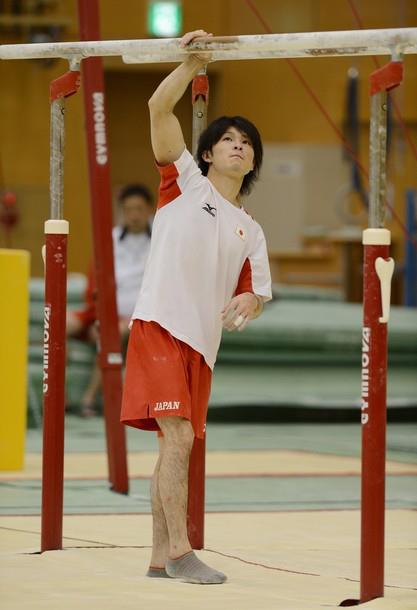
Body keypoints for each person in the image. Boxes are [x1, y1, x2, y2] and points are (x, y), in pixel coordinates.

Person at [120, 29, 272, 584]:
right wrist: (192, 62)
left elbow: (258, 292)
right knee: (179, 437)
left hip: (201, 348)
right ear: (207, 153)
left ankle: (159, 558)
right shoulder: (183, 181)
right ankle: (184, 550)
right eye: (228, 138)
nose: (238, 145)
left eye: (247, 142)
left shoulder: (251, 230)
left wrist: (250, 301)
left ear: (252, 162)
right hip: (160, 323)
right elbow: (159, 106)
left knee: (172, 444)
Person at [66, 184, 154, 416]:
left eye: (138, 209)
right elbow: (94, 283)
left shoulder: (162, 239)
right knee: (59, 323)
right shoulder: (110, 239)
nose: (134, 215)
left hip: (136, 318)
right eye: (128, 210)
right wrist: (99, 316)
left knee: (112, 332)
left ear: (149, 210)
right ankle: (61, 397)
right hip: (103, 312)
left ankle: (88, 399)